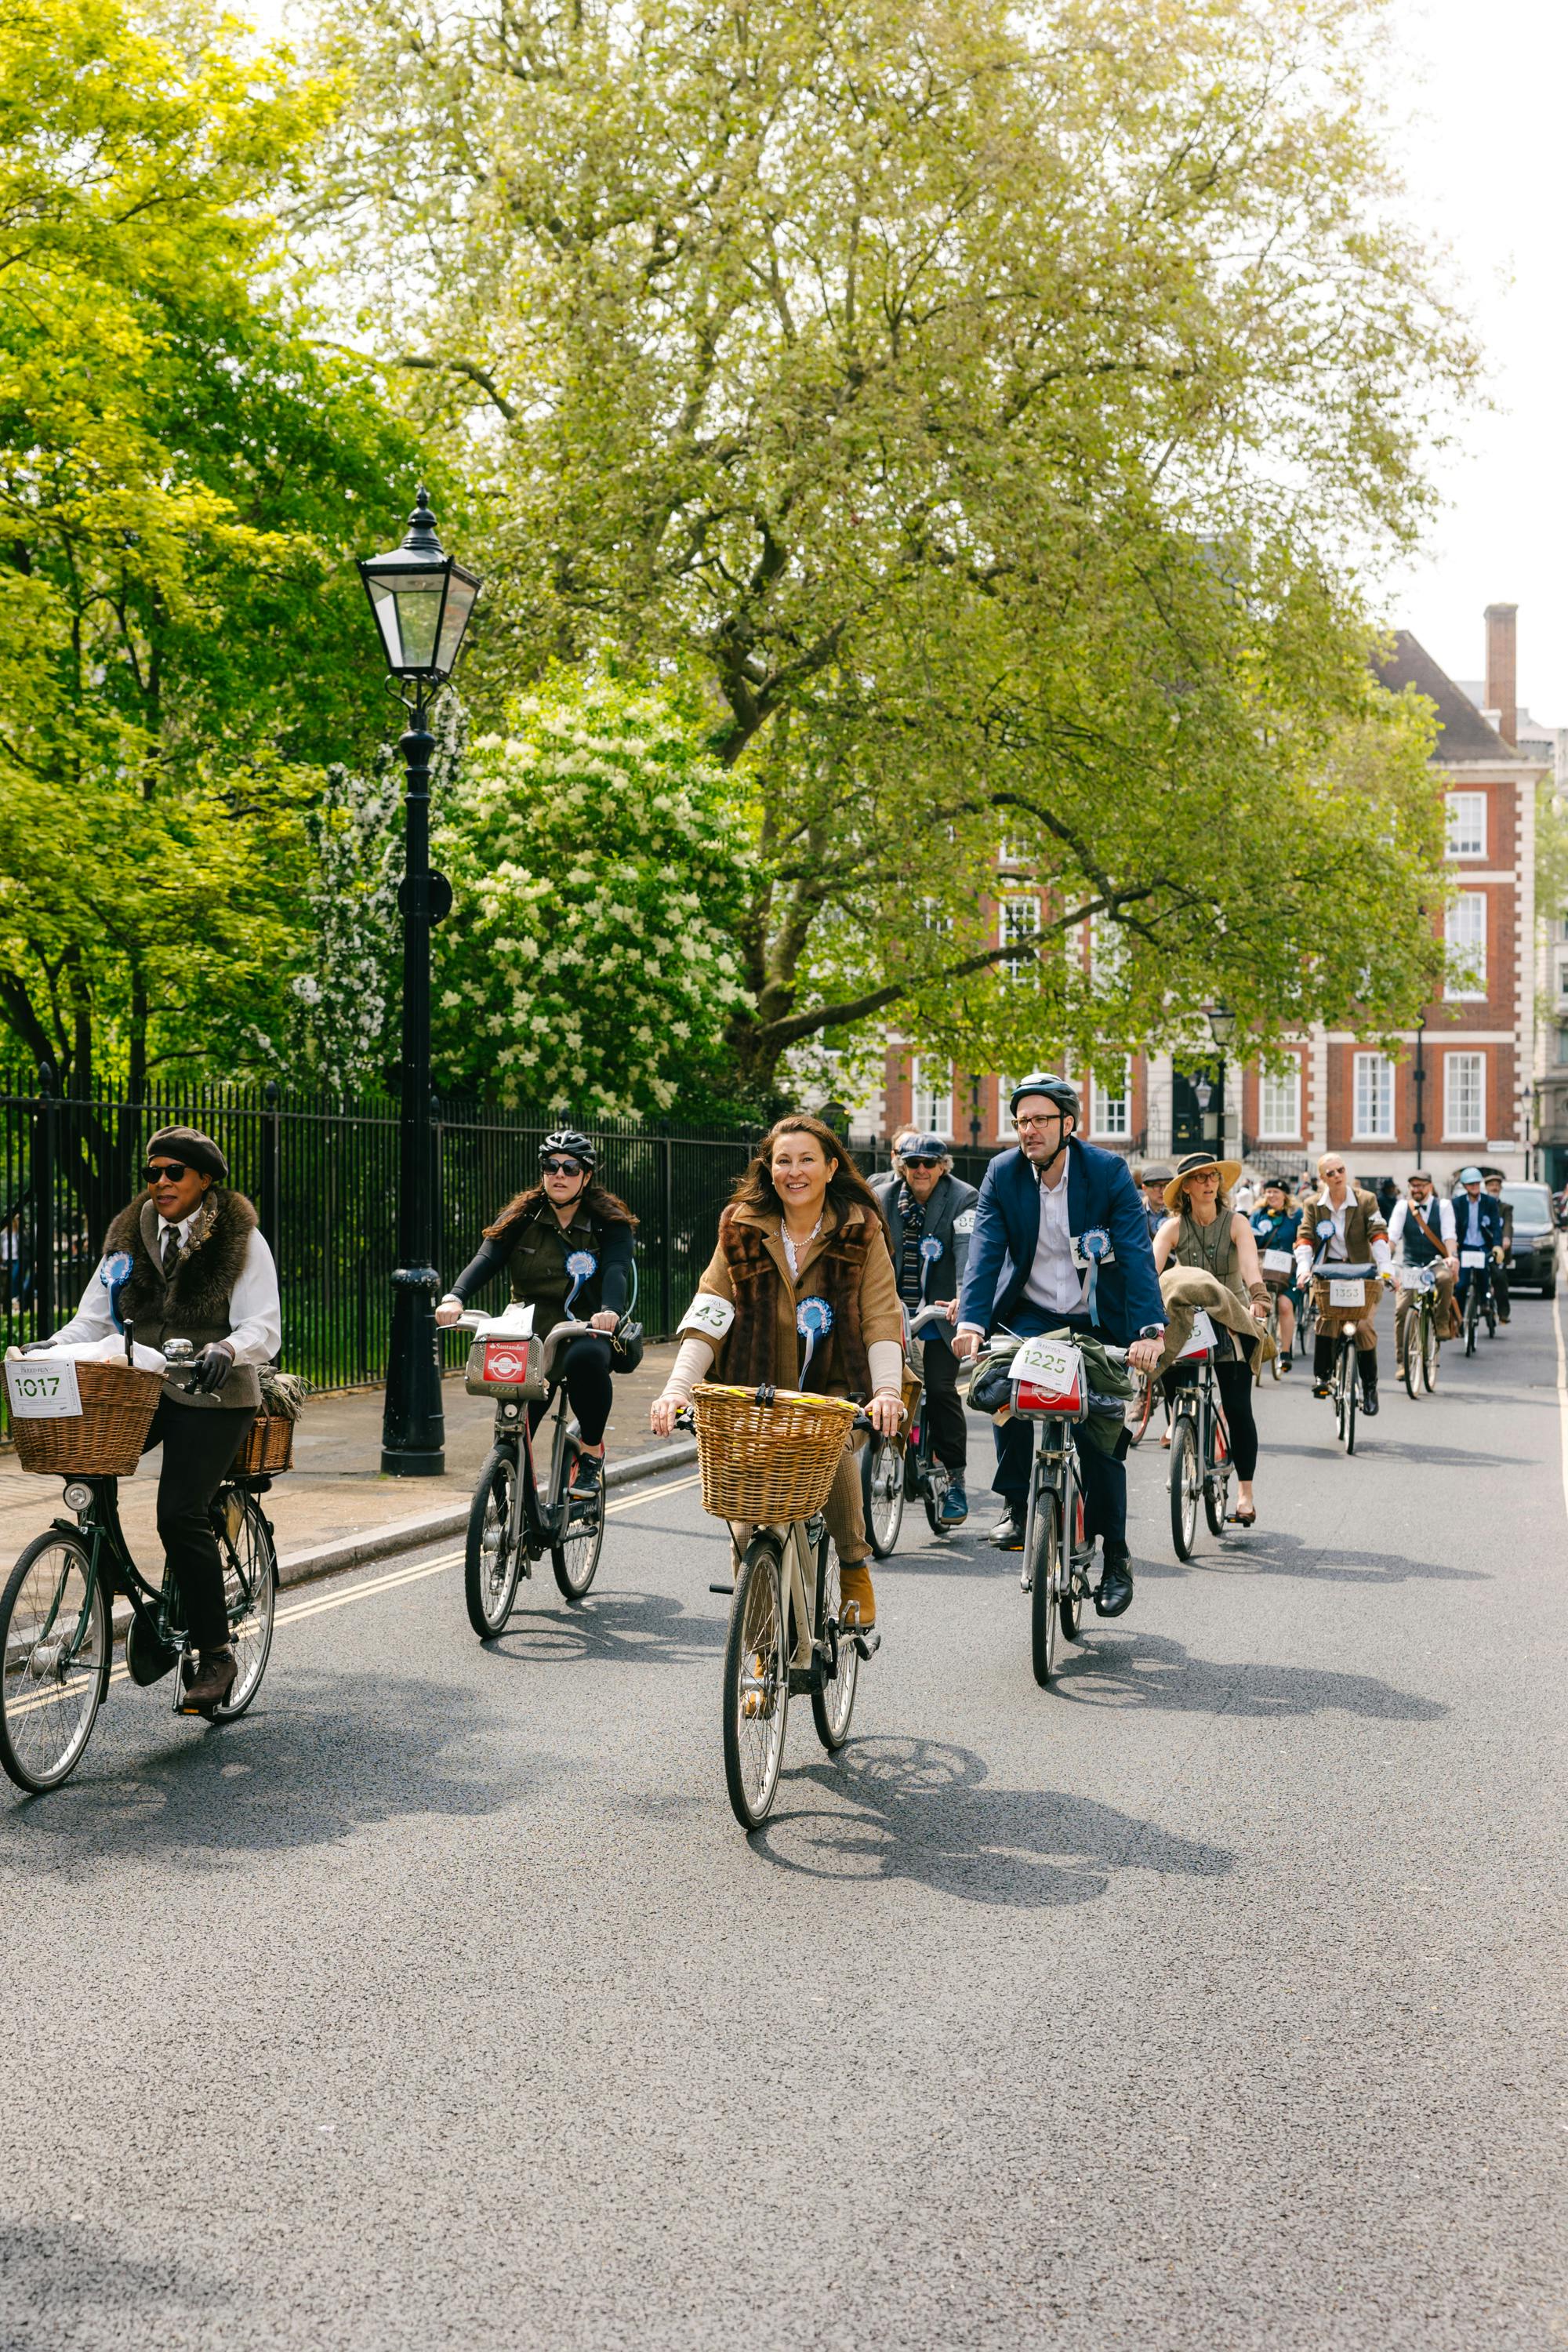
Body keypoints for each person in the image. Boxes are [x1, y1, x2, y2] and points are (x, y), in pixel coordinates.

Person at [31, 1127, 281, 1713]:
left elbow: (263, 1327)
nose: (160, 1183)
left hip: (213, 1392)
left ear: (205, 1180)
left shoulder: (240, 1239)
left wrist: (227, 1350)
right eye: (153, 1174)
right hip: (140, 1386)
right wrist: (48, 1348)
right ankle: (114, 1575)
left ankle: (216, 1652)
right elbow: (93, 1321)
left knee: (178, 1512)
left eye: (174, 1173)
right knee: (88, 1468)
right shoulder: (128, 1234)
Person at [649, 1116, 904, 1628]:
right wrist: (677, 1388)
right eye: (783, 1161)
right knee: (747, 1522)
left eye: (807, 1159)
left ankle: (853, 1565)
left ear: (831, 1167)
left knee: (830, 1449)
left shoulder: (861, 1227)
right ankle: (758, 1647)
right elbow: (710, 1313)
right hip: (753, 1389)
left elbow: (880, 1317)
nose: (794, 1171)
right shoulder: (741, 1227)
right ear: (768, 1169)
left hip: (837, 1387)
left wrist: (887, 1391)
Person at [952, 1074, 1165, 1617]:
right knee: (1009, 1389)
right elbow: (985, 1254)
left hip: (1098, 1319)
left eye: (1042, 1120)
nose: (1030, 1130)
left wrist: (1146, 1331)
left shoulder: (1107, 1172)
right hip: (1031, 1314)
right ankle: (1017, 1503)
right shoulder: (1003, 1173)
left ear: (1069, 1124)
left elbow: (1137, 1255)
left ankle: (1115, 1555)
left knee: (1100, 1441)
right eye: (1023, 1121)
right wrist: (974, 1323)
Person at [436, 1131, 635, 1498]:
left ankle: (590, 1452)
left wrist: (609, 1311)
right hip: (529, 1328)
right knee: (516, 1419)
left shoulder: (609, 1221)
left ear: (586, 1176)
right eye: (551, 1166)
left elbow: (617, 1270)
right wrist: (455, 1297)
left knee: (588, 1361)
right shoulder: (522, 1216)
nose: (560, 1174)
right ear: (543, 1172)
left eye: (570, 1167)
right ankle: (510, 1479)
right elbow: (486, 1259)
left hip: (585, 1325)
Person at [1152, 1152, 1270, 1526]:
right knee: (1162, 1353)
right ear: (1185, 1187)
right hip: (1187, 1317)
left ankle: (1245, 1493)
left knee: (1238, 1409)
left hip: (1230, 1315)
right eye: (1199, 1178)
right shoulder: (1172, 1228)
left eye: (1213, 1177)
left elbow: (1251, 1266)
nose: (1208, 1183)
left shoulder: (1237, 1222)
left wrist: (1260, 1299)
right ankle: (1176, 1417)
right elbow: (1149, 1272)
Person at [869, 1132, 976, 1524]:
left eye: (929, 1164)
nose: (921, 1170)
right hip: (892, 1312)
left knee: (943, 1389)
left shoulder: (963, 1198)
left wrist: (966, 1298)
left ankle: (955, 1480)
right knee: (880, 1389)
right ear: (902, 1166)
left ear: (942, 1167)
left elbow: (969, 1251)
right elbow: (870, 1252)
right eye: (913, 1163)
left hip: (941, 1315)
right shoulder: (881, 1198)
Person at [1291, 1152, 1392, 1414]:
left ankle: (1370, 1388)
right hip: (1328, 1272)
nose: (1337, 1176)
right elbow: (1304, 1239)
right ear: (1322, 1178)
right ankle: (1322, 1377)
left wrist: (1386, 1269)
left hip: (1362, 1272)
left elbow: (1378, 1235)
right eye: (1331, 1173)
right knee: (1325, 1321)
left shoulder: (1365, 1200)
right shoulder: (1313, 1204)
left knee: (1362, 1327)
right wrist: (1303, 1270)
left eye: (1341, 1170)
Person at [1388, 1169, 1459, 1357]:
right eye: (1413, 1186)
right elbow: (1392, 1237)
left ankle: (1441, 1320)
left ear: (1430, 1187)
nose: (1416, 1189)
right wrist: (1385, 1257)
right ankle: (1402, 1362)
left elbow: (1449, 1235)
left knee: (1445, 1279)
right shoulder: (1402, 1207)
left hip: (1434, 1263)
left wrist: (1451, 1256)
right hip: (1411, 1265)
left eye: (1421, 1185)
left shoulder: (1443, 1206)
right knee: (1402, 1310)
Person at [1249, 1177, 1301, 1367]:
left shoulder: (1295, 1215)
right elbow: (1248, 1237)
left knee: (1285, 1305)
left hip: (1289, 1272)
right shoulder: (1258, 1214)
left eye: (1276, 1192)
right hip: (1263, 1269)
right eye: (1269, 1191)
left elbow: (1303, 1237)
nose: (1271, 1195)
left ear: (1285, 1195)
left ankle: (1285, 1352)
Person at [1450, 1167, 1506, 1330]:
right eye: (1470, 1184)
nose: (1474, 1186)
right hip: (1464, 1247)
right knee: (1461, 1285)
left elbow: (1496, 1226)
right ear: (1465, 1186)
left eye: (1476, 1183)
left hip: (1482, 1247)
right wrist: (1454, 1245)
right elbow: (1452, 1226)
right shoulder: (1457, 1203)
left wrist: (1497, 1245)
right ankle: (1459, 1318)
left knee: (1484, 1276)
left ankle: (1484, 1303)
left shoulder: (1489, 1202)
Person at [1483, 1174, 1514, 1326]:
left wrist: (1506, 1239)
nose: (1494, 1188)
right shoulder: (1481, 1206)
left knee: (1500, 1278)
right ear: (1486, 1188)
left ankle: (1503, 1313)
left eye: (1497, 1185)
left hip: (1499, 1249)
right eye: (1491, 1185)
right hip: (1481, 1248)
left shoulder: (1505, 1208)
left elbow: (1508, 1225)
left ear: (1500, 1189)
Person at [1137, 1164, 1175, 1243]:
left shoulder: (1178, 1211)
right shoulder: (1136, 1212)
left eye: (1166, 1185)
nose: (1162, 1191)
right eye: (1157, 1186)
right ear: (1144, 1188)